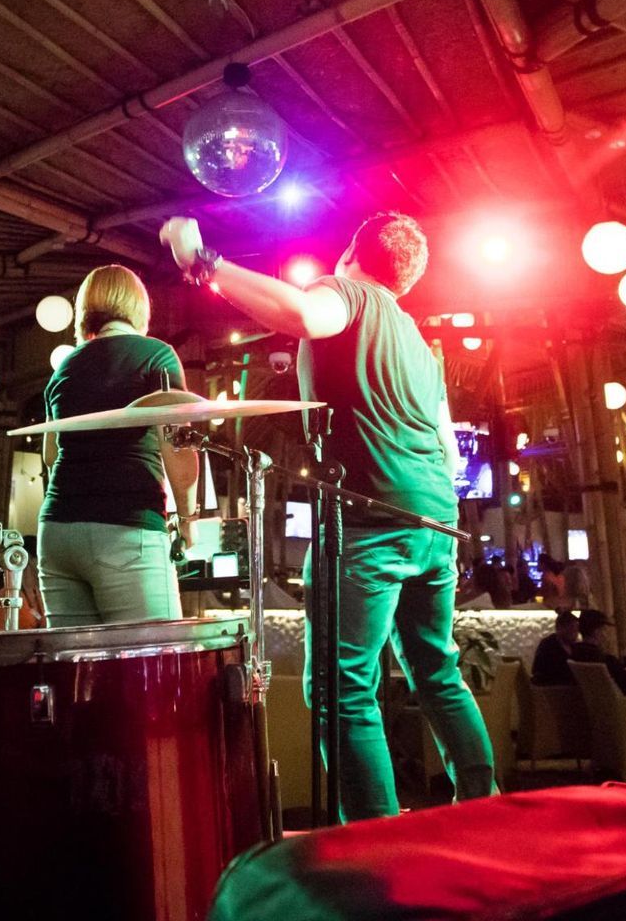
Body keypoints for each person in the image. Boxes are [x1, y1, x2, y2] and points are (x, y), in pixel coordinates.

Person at [159, 211, 495, 821]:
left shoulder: (349, 293)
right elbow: (446, 447)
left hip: (370, 519)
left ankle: (376, 844)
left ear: (351, 253)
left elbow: (307, 314)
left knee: (343, 690)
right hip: (435, 517)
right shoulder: (418, 342)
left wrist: (202, 263)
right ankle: (486, 810)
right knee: (436, 670)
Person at [37, 264, 200, 625]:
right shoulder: (156, 356)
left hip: (58, 531)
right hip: (127, 526)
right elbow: (177, 446)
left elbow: (51, 457)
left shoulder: (63, 368)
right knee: (154, 661)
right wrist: (188, 518)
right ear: (138, 307)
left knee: (77, 671)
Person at [530, 609, 580, 686]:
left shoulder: (573, 646)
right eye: (572, 629)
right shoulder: (549, 645)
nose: (575, 633)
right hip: (551, 689)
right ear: (559, 628)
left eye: (576, 630)